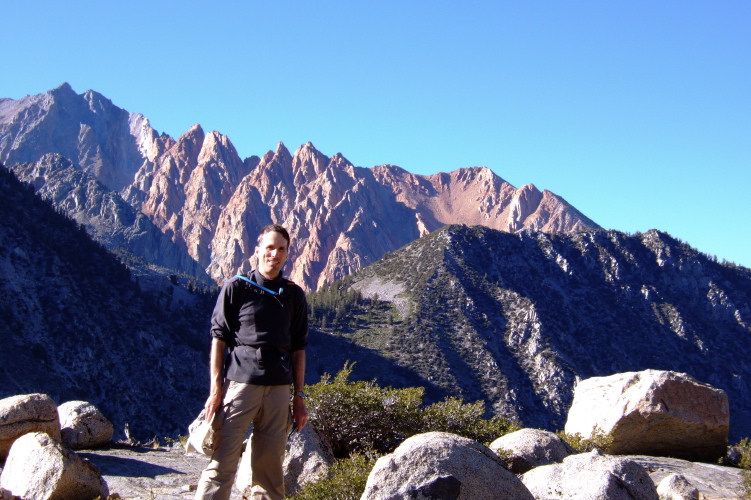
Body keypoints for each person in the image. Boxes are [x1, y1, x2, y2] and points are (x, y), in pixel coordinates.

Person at [195, 224, 309, 500]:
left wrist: (299, 397)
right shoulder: (237, 287)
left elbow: (298, 349)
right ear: (257, 251)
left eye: (281, 248)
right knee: (223, 462)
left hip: (279, 390)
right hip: (241, 384)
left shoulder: (294, 294)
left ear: (287, 254)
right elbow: (218, 339)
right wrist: (215, 391)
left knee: (270, 471)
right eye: (270, 247)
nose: (275, 254)